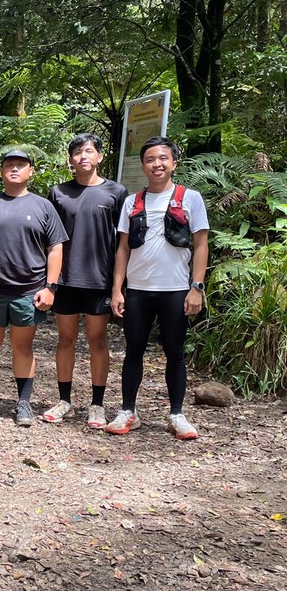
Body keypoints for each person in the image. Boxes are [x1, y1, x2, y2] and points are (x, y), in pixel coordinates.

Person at [106, 136, 209, 440]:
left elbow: (201, 244)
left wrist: (196, 286)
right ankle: (128, 411)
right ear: (143, 165)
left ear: (174, 163)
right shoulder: (132, 202)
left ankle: (177, 414)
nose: (157, 164)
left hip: (176, 289)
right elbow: (122, 249)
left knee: (175, 352)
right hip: (138, 290)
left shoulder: (190, 198)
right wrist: (117, 289)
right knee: (133, 350)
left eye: (163, 158)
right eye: (150, 159)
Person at [0, 148, 68, 426]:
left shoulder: (44, 206)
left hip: (29, 290)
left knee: (23, 347)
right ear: (1, 171)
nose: (14, 169)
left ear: (30, 171)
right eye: (9, 164)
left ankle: (23, 403)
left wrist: (51, 288)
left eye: (21, 165)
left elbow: (55, 248)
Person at [43, 133, 128, 428]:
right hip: (65, 280)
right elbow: (50, 239)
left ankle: (97, 404)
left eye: (89, 151)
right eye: (77, 152)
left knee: (97, 340)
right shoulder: (58, 193)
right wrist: (49, 281)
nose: (83, 157)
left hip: (99, 279)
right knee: (65, 339)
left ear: (100, 156)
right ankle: (64, 400)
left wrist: (119, 285)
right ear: (70, 160)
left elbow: (122, 242)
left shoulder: (116, 192)